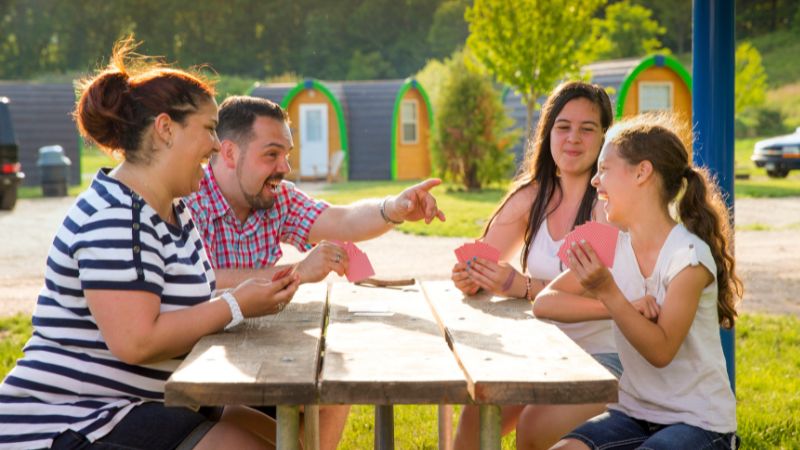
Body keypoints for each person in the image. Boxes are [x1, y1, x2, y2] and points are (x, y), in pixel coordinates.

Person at [0, 39, 298, 449]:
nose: (216, 144)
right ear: (164, 129)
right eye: (209, 129)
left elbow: (186, 306)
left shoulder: (172, 209)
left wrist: (247, 298)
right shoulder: (116, 214)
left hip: (137, 405)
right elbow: (136, 341)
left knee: (284, 438)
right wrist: (236, 304)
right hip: (74, 421)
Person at [182, 95, 446, 450]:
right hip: (200, 366)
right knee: (246, 406)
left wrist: (394, 208)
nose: (284, 167)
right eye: (271, 154)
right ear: (229, 153)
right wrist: (297, 271)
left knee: (336, 381)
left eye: (287, 155)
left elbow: (341, 220)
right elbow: (202, 280)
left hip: (260, 350)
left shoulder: (276, 197)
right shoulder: (188, 201)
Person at [538, 114, 741, 449]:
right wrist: (618, 306)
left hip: (700, 422)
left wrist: (609, 292)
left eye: (604, 169)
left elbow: (660, 351)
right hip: (633, 413)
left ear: (642, 172)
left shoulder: (689, 255)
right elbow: (545, 302)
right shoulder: (609, 242)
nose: (594, 181)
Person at [450, 81, 620, 450]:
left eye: (586, 128)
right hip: (539, 351)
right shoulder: (533, 196)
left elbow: (592, 289)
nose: (573, 138)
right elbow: (481, 258)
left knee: (534, 427)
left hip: (602, 358)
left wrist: (521, 285)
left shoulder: (609, 207)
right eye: (563, 126)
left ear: (604, 138)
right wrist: (471, 276)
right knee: (477, 415)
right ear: (548, 133)